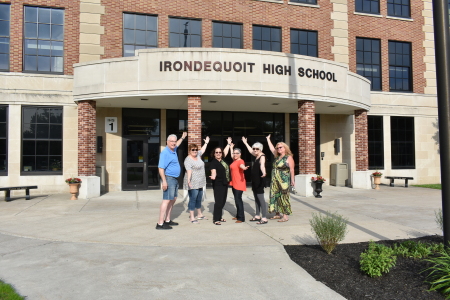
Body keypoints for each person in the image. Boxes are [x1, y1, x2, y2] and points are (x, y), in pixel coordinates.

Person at [156, 132, 187, 230]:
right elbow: (161, 168)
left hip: (175, 179)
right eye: (171, 141)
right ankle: (160, 223)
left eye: (174, 141)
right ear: (167, 142)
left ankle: (168, 220)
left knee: (173, 200)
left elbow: (177, 144)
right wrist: (164, 181)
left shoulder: (173, 150)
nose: (174, 143)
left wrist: (182, 137)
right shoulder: (165, 153)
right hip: (169, 179)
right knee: (166, 200)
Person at [266, 134, 295, 222]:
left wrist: (292, 180)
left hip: (283, 181)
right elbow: (271, 149)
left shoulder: (288, 157)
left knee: (283, 197)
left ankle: (285, 216)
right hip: (275, 181)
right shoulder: (277, 157)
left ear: (285, 148)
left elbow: (292, 169)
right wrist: (268, 139)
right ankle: (277, 214)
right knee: (275, 196)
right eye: (277, 148)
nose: (279, 149)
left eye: (281, 147)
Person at [183, 136, 210, 224]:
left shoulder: (198, 155)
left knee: (199, 198)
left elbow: (202, 150)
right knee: (193, 199)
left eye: (195, 150)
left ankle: (199, 214)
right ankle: (192, 217)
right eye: (193, 150)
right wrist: (189, 181)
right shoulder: (188, 160)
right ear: (189, 151)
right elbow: (189, 171)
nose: (195, 151)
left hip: (200, 181)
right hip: (193, 182)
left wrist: (206, 142)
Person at [242, 137, 268, 225]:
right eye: (254, 149)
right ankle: (257, 215)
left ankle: (264, 217)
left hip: (260, 180)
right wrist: (245, 143)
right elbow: (250, 151)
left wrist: (264, 173)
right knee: (256, 199)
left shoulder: (262, 156)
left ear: (260, 149)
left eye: (257, 149)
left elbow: (262, 166)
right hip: (255, 181)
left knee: (261, 199)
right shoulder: (256, 155)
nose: (255, 150)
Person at [209, 140, 232, 225]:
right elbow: (213, 171)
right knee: (218, 201)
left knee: (223, 201)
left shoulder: (223, 160)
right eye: (216, 152)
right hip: (218, 184)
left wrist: (228, 144)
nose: (218, 153)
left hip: (224, 183)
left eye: (219, 152)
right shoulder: (213, 163)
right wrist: (213, 176)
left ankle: (219, 217)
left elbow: (225, 151)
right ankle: (216, 219)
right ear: (214, 154)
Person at [228, 138, 249, 223]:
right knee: (236, 200)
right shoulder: (234, 160)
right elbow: (231, 155)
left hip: (239, 183)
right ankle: (238, 215)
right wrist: (230, 147)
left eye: (237, 153)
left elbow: (242, 165)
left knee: (238, 200)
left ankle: (241, 218)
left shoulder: (240, 161)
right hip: (234, 182)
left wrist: (244, 168)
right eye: (234, 153)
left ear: (240, 154)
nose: (235, 154)